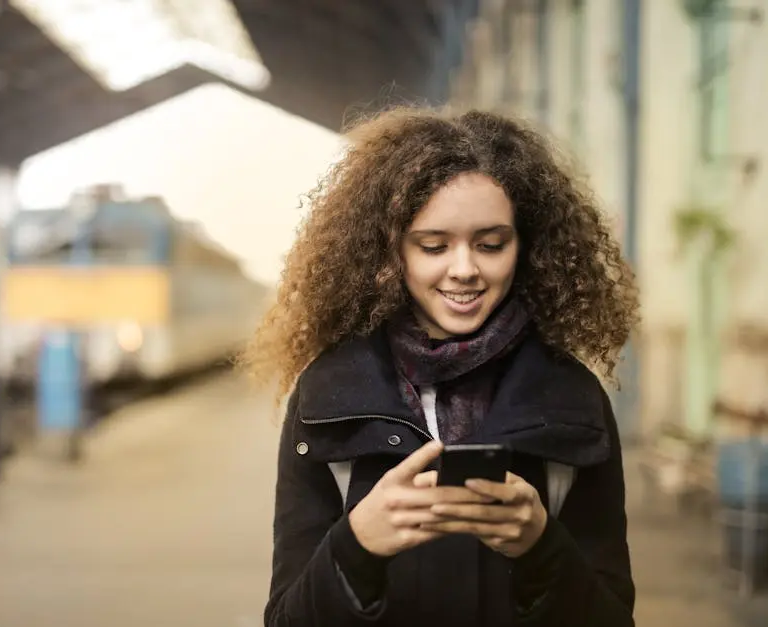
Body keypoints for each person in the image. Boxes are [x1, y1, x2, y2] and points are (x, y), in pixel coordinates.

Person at [239, 107, 640, 626]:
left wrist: (542, 547)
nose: (465, 268)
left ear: (526, 246)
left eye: (491, 244)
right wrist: (356, 546)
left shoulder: (573, 400)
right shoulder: (327, 398)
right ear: (390, 253)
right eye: (434, 245)